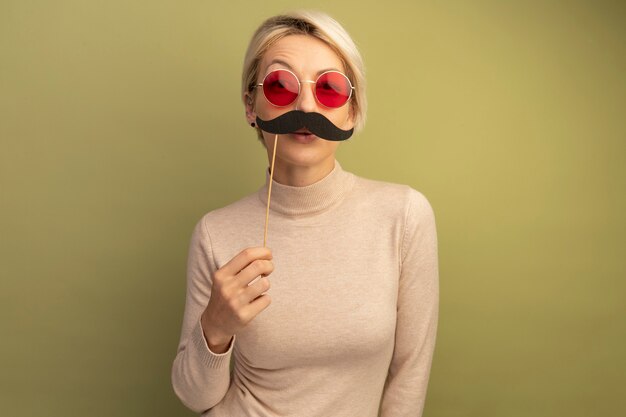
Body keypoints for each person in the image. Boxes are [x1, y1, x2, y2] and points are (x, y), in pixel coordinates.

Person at [171, 10, 439, 417]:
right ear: (250, 105)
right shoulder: (215, 232)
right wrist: (215, 327)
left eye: (329, 88)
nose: (306, 105)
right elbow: (196, 398)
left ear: (350, 111)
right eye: (281, 86)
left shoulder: (403, 216)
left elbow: (409, 375)